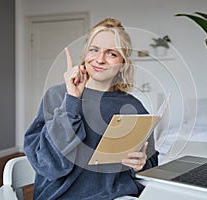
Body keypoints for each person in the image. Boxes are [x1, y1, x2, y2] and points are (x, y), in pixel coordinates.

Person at [24, 18, 159, 200]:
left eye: (111, 54)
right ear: (85, 55)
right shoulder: (57, 96)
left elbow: (149, 167)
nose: (100, 59)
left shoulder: (134, 107)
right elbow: (48, 165)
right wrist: (72, 100)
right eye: (94, 50)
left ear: (123, 64)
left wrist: (140, 164)